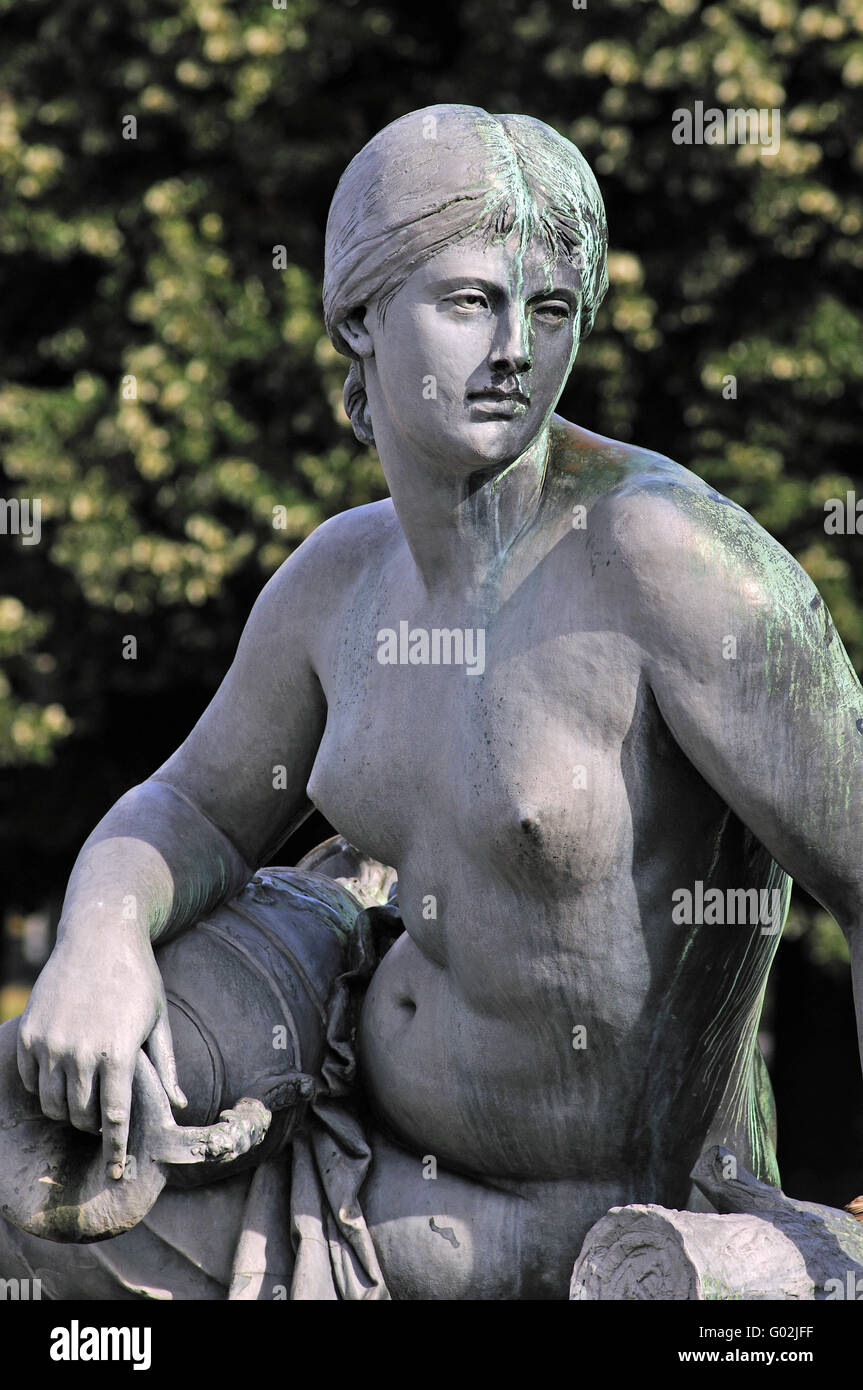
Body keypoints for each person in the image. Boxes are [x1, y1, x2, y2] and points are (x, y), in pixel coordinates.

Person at [11, 104, 863, 1299]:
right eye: (469, 302)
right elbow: (193, 811)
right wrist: (96, 938)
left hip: (597, 1240)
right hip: (345, 1167)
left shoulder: (660, 561)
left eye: (551, 309)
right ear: (360, 313)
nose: (513, 346)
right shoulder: (335, 585)